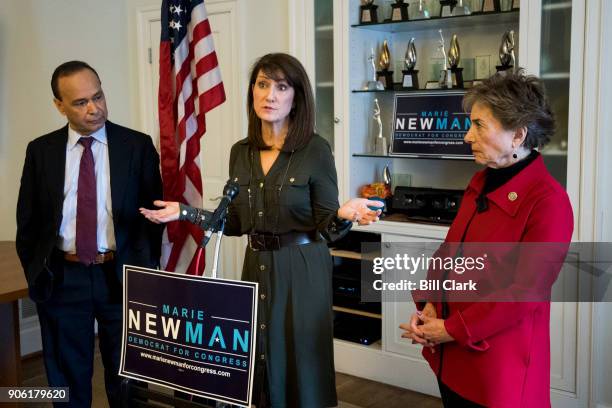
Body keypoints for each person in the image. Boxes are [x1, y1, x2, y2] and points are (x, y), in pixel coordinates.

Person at [140, 53, 381, 407]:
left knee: (302, 363)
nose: (270, 95)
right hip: (255, 267)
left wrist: (344, 213)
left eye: (281, 87)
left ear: (296, 96)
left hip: (301, 269)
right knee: (257, 360)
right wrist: (185, 212)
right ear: (252, 92)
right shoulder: (241, 152)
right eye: (263, 84)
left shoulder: (315, 149)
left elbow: (328, 229)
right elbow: (235, 222)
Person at [400, 70, 573, 407]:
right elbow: (448, 253)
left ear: (518, 135)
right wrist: (432, 306)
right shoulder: (480, 182)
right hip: (454, 354)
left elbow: (523, 294)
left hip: (498, 366)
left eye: (479, 125)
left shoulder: (549, 202)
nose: (467, 136)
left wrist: (451, 329)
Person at [16, 60, 162, 407]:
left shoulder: (136, 146)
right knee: (66, 378)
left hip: (120, 274)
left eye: (98, 96)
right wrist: (37, 273)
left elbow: (153, 219)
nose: (94, 108)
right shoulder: (41, 151)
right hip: (64, 278)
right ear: (59, 105)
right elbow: (29, 222)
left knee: (128, 376)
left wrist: (144, 271)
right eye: (81, 102)